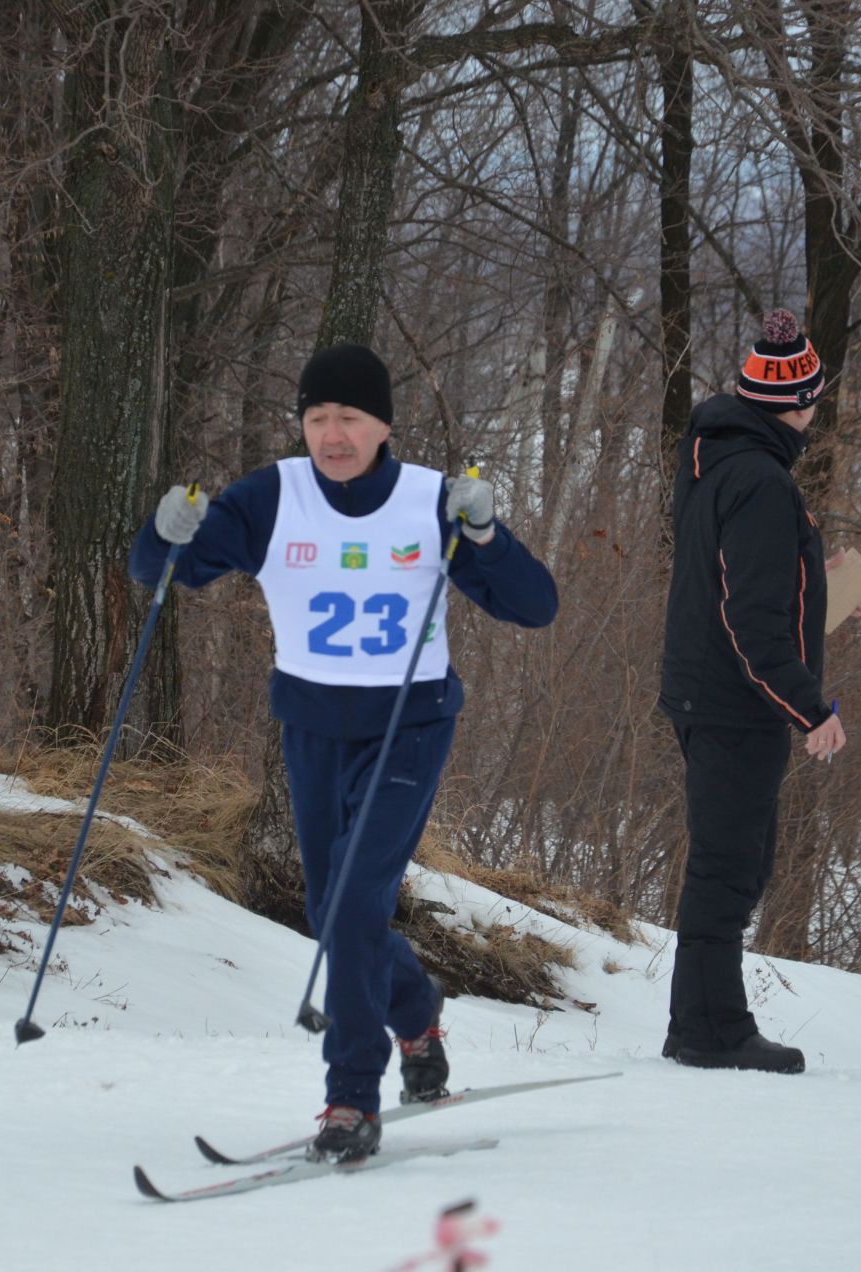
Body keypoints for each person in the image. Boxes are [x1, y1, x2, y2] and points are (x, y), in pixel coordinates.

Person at [129, 343, 558, 1160]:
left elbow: (535, 607)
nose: (332, 434)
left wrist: (486, 533)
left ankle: (349, 1101)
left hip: (410, 724)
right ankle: (417, 1013)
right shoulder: (271, 498)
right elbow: (162, 572)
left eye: (349, 418)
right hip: (314, 729)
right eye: (318, 417)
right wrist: (161, 532)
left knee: (357, 904)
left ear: (382, 424)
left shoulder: (434, 501)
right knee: (331, 914)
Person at [657, 308, 861, 1075]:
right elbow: (749, 621)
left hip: (707, 691)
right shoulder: (763, 481)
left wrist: (825, 592)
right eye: (815, 398)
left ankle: (699, 1023)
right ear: (801, 401)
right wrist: (813, 709)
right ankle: (711, 1031)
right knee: (729, 866)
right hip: (734, 703)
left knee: (732, 861)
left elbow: (743, 593)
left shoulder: (715, 459)